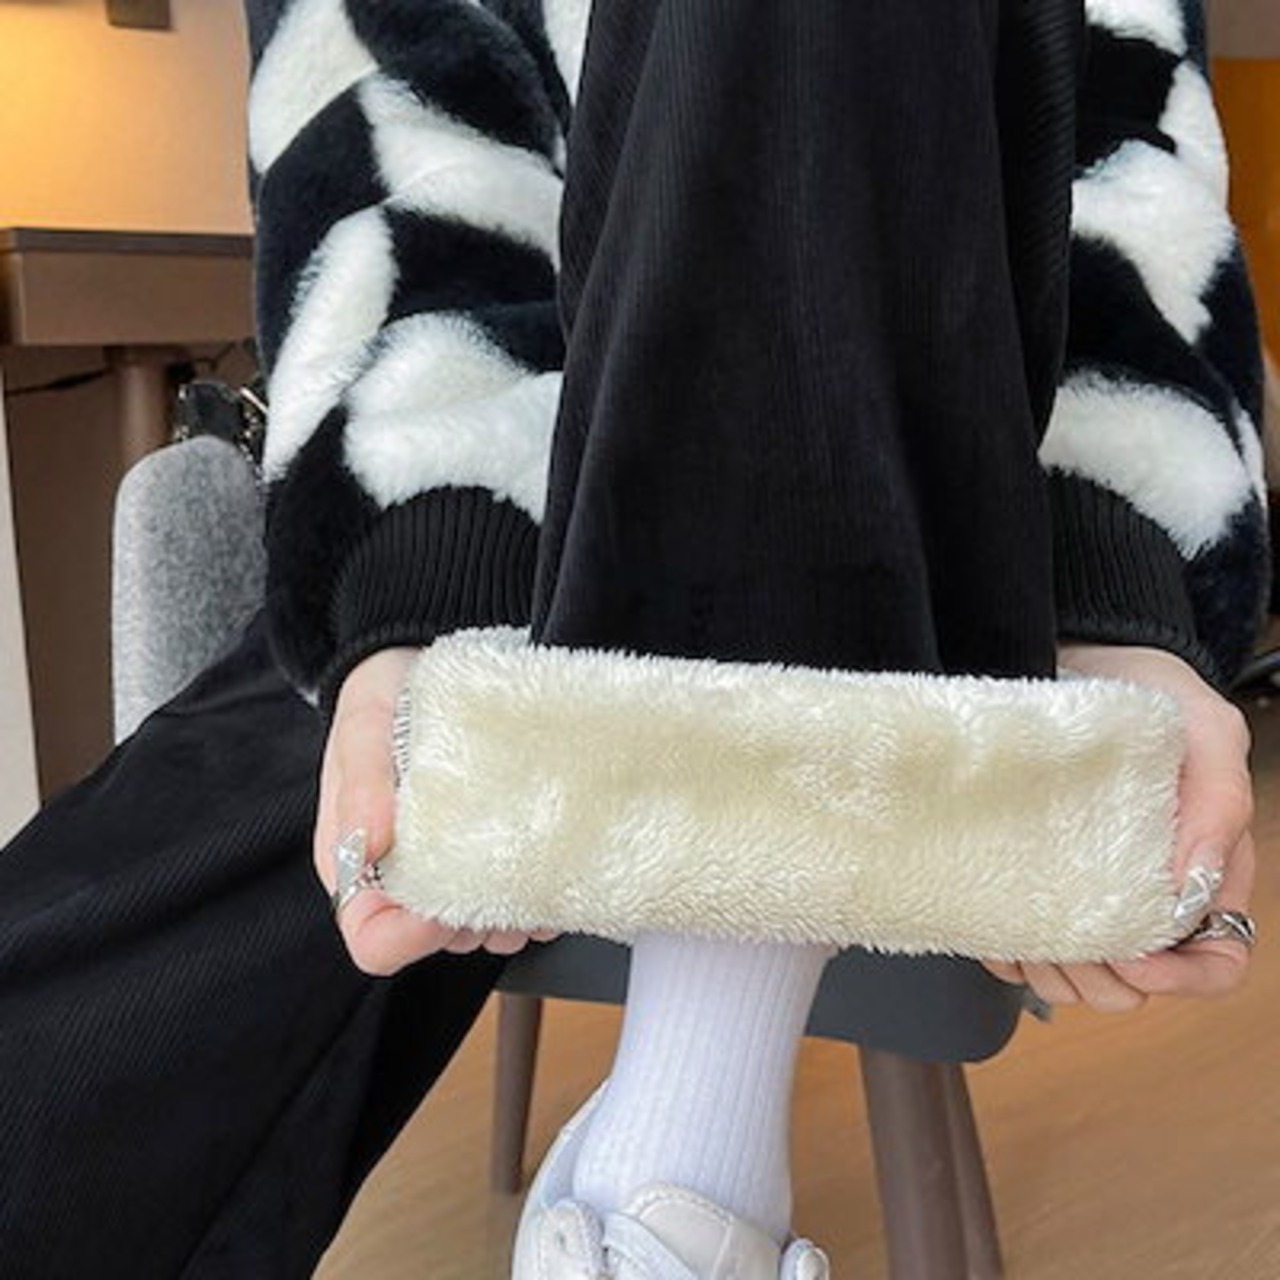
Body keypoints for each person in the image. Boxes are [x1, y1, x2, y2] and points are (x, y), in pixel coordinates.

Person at [0, 1, 1267, 1277]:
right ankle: (675, 1173)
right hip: (498, 498)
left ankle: (677, 1169)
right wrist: (419, 582)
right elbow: (399, 161)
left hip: (961, 503)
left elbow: (1121, 165)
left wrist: (1113, 587)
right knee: (87, 1015)